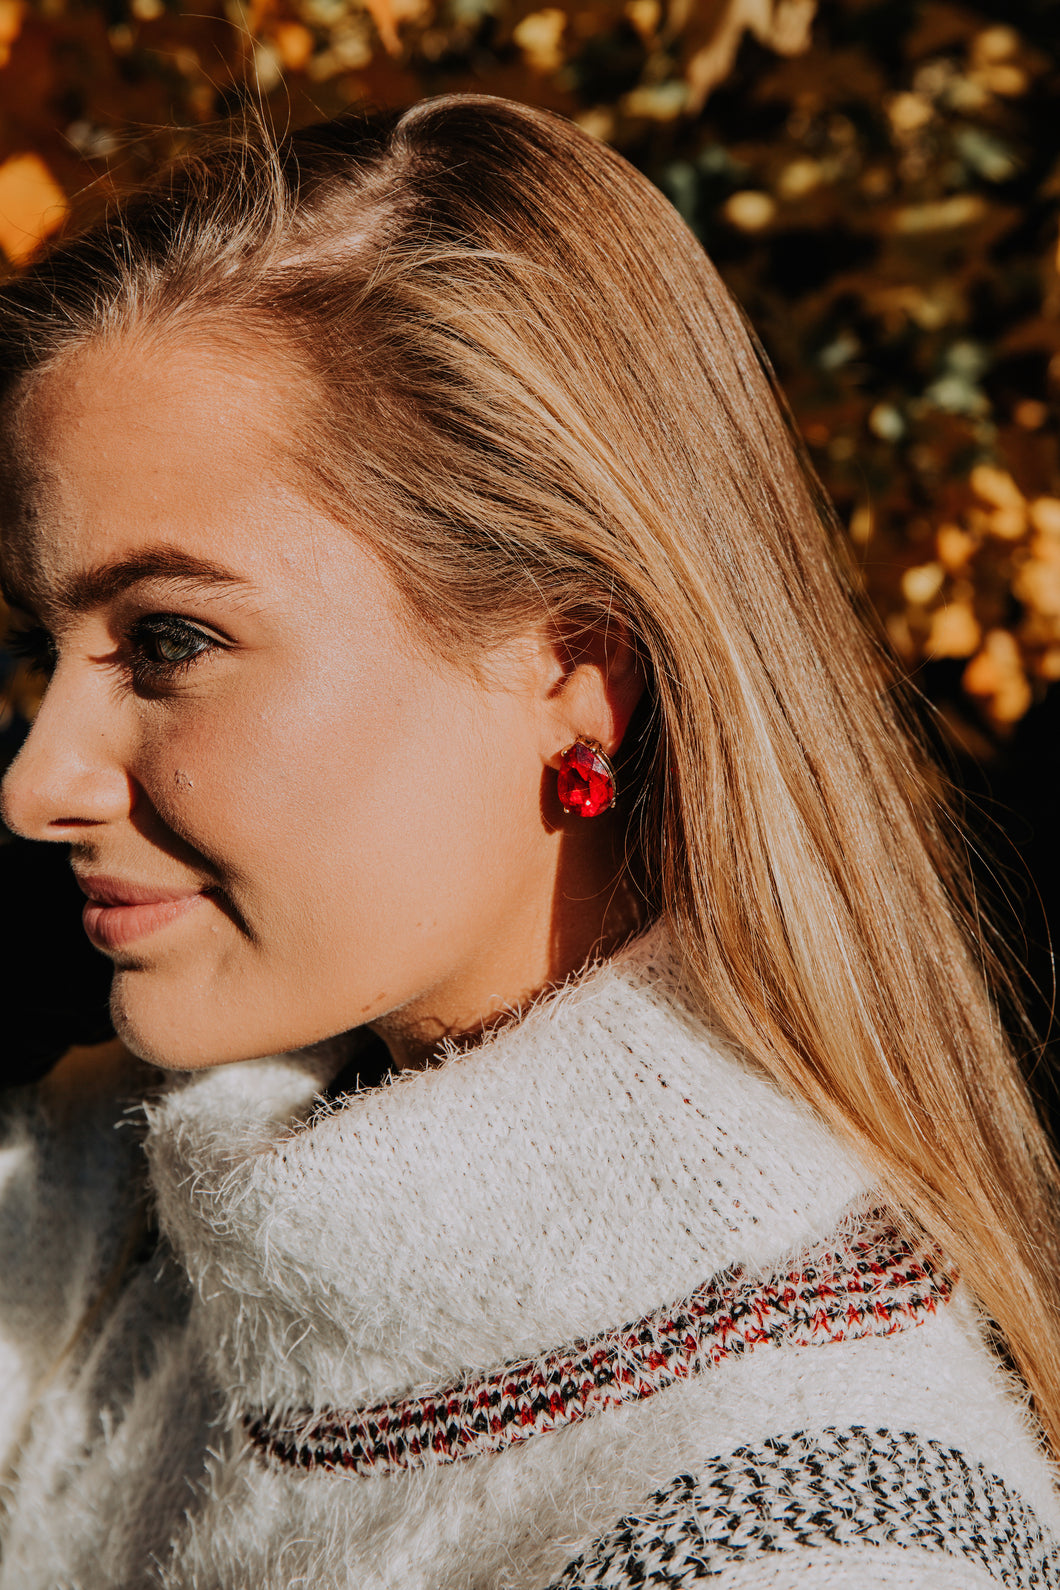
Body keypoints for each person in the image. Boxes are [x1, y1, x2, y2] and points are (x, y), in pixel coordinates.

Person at [0, 94, 1058, 1590]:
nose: (39, 780)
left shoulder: (814, 1540)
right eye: (46, 644)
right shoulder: (111, 1235)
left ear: (574, 665)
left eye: (169, 637)